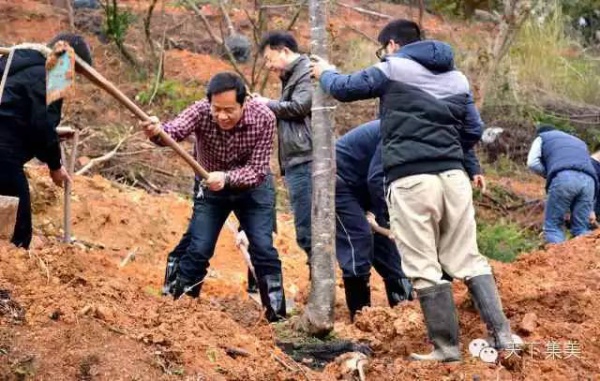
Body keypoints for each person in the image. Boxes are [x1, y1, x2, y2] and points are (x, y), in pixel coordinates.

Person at [310, 19, 515, 362]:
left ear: (391, 45)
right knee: (468, 258)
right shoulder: (458, 79)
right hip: (454, 179)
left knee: (423, 265)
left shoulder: (394, 68)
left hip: (412, 180)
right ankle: (504, 337)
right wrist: (448, 154)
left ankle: (447, 348)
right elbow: (473, 130)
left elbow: (345, 88)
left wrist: (326, 72)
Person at [143, 72, 286, 322]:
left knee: (263, 248)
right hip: (210, 190)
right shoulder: (200, 111)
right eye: (216, 109)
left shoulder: (264, 117)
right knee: (199, 247)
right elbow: (173, 131)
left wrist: (227, 178)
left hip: (253, 189)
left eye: (229, 110)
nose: (222, 116)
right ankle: (179, 312)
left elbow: (257, 170)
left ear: (244, 103)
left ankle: (277, 318)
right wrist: (156, 131)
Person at [0, 33, 93, 249]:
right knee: (17, 232)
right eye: (75, 71)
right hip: (4, 154)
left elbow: (19, 108)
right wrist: (55, 165)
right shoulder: (55, 69)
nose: (71, 76)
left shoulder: (14, 60)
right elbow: (42, 124)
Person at [335, 120, 412, 322]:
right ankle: (361, 318)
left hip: (366, 185)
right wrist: (388, 222)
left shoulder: (423, 138)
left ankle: (406, 314)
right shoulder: (397, 127)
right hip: (339, 178)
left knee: (388, 249)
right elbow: (377, 178)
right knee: (358, 238)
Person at [255, 31, 313, 273]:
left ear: (284, 51)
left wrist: (266, 103)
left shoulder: (307, 71)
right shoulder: (292, 76)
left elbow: (301, 106)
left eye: (270, 59)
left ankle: (320, 289)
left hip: (306, 157)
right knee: (306, 227)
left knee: (308, 228)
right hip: (297, 158)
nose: (268, 66)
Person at [527, 124, 598, 243]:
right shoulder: (579, 142)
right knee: (581, 228)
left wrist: (549, 173)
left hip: (565, 178)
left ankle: (559, 260)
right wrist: (591, 208)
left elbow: (532, 163)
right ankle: (586, 260)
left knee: (553, 227)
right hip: (590, 182)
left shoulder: (542, 137)